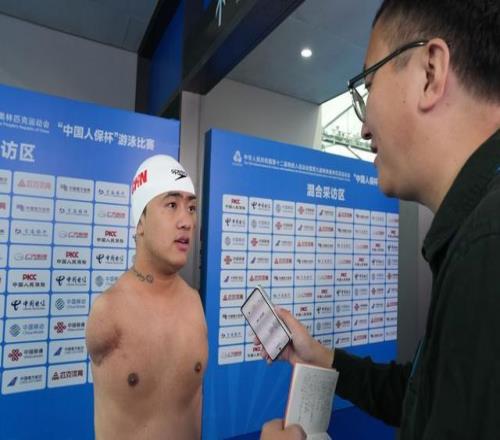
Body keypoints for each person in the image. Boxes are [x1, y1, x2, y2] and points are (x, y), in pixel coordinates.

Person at [261, 0, 500, 438]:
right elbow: (424, 394)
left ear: (430, 72)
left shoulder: (487, 246)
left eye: (368, 86)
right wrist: (322, 357)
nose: (364, 128)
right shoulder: (475, 235)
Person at [86, 155, 208, 440]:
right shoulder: (108, 312)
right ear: (140, 221)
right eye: (172, 205)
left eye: (191, 208)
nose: (187, 221)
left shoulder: (194, 304)